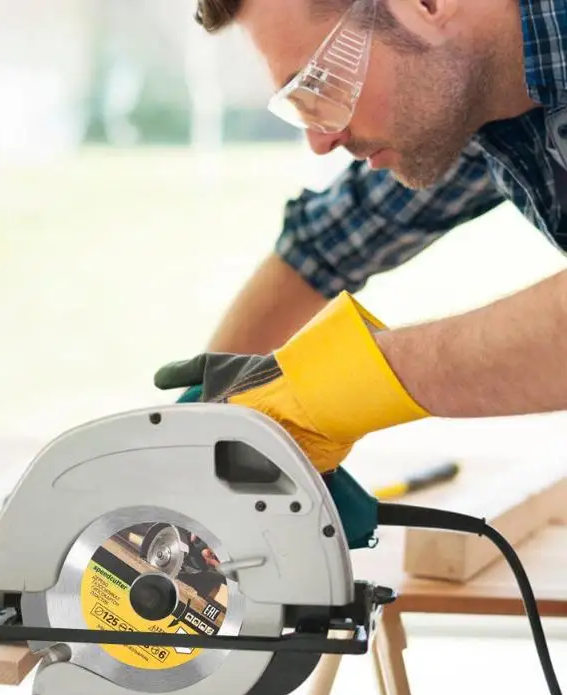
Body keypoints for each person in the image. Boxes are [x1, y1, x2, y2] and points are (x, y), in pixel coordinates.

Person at [154, 0, 567, 474]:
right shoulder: (473, 91)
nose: (320, 141)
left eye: (319, 83)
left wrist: (346, 381)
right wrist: (193, 446)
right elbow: (322, 251)